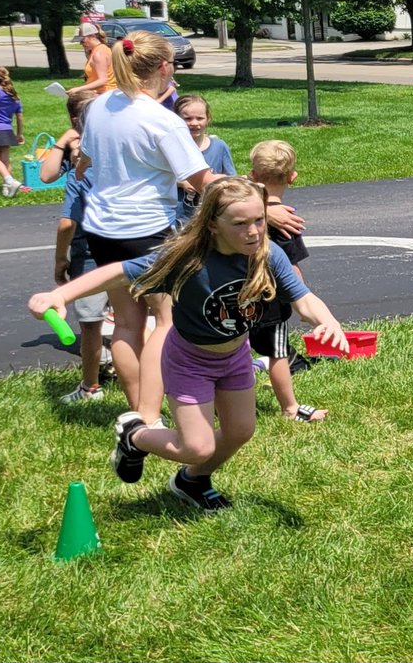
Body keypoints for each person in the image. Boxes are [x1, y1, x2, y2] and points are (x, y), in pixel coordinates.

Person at [28, 177, 348, 513]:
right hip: (189, 361)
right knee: (197, 446)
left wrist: (327, 321)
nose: (253, 231)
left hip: (236, 356)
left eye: (259, 220)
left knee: (240, 431)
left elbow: (304, 299)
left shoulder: (267, 254)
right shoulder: (187, 258)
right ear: (212, 225)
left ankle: (191, 481)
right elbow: (118, 273)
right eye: (240, 224)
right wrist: (59, 295)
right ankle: (134, 435)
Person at [77, 31, 219, 426]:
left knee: (125, 322)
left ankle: (142, 413)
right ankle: (150, 414)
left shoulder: (101, 105)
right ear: (163, 67)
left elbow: (84, 160)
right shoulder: (162, 121)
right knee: (166, 322)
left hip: (102, 229)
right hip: (146, 232)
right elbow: (203, 180)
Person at [247, 139, 326, 421]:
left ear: (252, 176)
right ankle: (289, 408)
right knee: (277, 355)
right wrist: (300, 302)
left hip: (235, 297)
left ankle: (228, 404)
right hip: (270, 302)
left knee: (232, 352)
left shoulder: (241, 213)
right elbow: (291, 268)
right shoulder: (286, 220)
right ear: (293, 177)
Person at [51, 91, 115, 402]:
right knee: (136, 321)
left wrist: (59, 259)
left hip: (90, 257)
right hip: (131, 252)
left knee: (90, 325)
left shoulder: (80, 174)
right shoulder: (125, 163)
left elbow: (67, 224)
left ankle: (91, 386)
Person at [175, 95, 236, 223]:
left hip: (210, 216)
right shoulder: (173, 147)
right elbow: (160, 178)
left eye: (200, 118)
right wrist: (182, 183)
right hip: (179, 217)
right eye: (188, 118)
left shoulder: (219, 147)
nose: (194, 123)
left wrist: (218, 179)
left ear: (208, 119)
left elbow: (232, 178)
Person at [0, 66, 25, 197]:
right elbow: (19, 116)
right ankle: (8, 189)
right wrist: (19, 133)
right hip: (7, 129)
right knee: (5, 160)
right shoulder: (13, 95)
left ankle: (9, 180)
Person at [68, 23, 117, 96]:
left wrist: (79, 89)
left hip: (104, 94)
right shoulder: (97, 50)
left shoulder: (99, 53)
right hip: (100, 93)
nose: (81, 43)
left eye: (82, 40)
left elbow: (103, 80)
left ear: (92, 36)